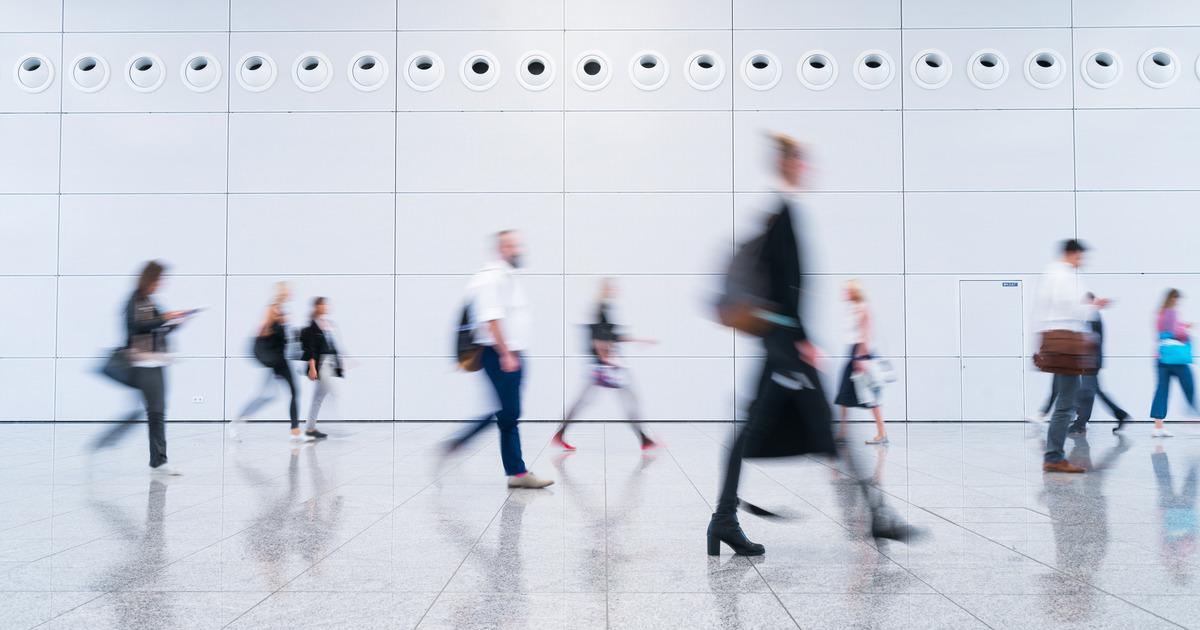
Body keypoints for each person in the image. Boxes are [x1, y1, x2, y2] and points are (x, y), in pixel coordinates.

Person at [707, 134, 915, 556]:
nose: (809, 169)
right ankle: (876, 517)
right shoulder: (782, 215)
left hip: (781, 345)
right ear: (788, 165)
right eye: (803, 162)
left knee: (769, 433)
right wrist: (800, 339)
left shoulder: (781, 214)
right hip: (787, 347)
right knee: (815, 431)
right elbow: (785, 288)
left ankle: (724, 520)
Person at [444, 230, 552, 489]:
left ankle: (515, 472)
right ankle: (510, 469)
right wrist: (505, 354)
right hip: (501, 354)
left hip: (509, 353)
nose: (519, 250)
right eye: (514, 246)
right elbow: (491, 319)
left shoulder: (504, 276)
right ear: (502, 248)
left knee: (507, 413)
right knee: (508, 413)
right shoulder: (492, 279)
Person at [552, 278, 658, 451]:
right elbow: (597, 337)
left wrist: (640, 340)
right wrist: (605, 358)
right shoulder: (600, 308)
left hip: (604, 364)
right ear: (604, 289)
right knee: (628, 398)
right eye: (611, 287)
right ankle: (644, 439)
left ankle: (560, 433)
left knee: (587, 401)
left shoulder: (604, 308)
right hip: (604, 365)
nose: (614, 290)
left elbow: (611, 335)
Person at [1037, 239, 1109, 473]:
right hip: (1067, 343)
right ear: (1071, 254)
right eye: (1080, 257)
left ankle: (1053, 454)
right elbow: (1070, 307)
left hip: (1058, 342)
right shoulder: (1064, 275)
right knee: (1066, 403)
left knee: (1064, 399)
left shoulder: (1051, 273)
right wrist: (1092, 306)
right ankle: (1054, 456)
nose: (1081, 262)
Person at [124, 261, 192, 475]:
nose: (160, 284)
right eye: (158, 280)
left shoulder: (149, 301)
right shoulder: (134, 300)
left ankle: (159, 461)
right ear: (150, 279)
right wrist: (164, 318)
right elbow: (136, 326)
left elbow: (158, 328)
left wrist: (175, 322)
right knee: (155, 411)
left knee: (157, 410)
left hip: (156, 360)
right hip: (142, 362)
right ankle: (159, 461)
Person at [230, 282, 307, 442]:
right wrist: (274, 325)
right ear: (282, 293)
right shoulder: (272, 309)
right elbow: (262, 331)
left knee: (291, 392)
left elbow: (288, 338)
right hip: (272, 357)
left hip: (280, 358)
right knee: (266, 395)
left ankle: (295, 431)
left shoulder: (283, 311)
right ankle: (237, 421)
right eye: (288, 291)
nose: (291, 293)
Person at [833, 279, 889, 445]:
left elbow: (866, 335)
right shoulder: (851, 308)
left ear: (853, 291)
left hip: (860, 353)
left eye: (846, 290)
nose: (844, 293)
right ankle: (842, 433)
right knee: (843, 395)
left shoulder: (863, 307)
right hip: (852, 353)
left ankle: (882, 434)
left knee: (870, 397)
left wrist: (859, 358)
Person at [1070, 292, 1131, 435]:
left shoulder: (1093, 316)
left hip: (1090, 361)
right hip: (1090, 360)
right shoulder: (1091, 315)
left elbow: (1092, 340)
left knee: (1086, 392)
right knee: (1093, 391)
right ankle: (1120, 414)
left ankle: (1080, 424)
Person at [1150, 288, 1196, 437]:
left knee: (1162, 391)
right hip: (1176, 358)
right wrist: (1186, 328)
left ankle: (1158, 427)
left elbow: (1161, 333)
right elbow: (1178, 333)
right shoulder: (1172, 312)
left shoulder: (1159, 314)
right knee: (1189, 386)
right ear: (1174, 299)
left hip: (1161, 356)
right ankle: (1194, 417)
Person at [300, 297, 342, 440]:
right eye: (323, 304)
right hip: (321, 364)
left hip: (328, 363)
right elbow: (311, 349)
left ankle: (311, 428)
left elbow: (332, 346)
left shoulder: (327, 324)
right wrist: (312, 367)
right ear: (317, 306)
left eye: (326, 304)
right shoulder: (312, 326)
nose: (326, 306)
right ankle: (317, 427)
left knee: (320, 396)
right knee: (327, 394)